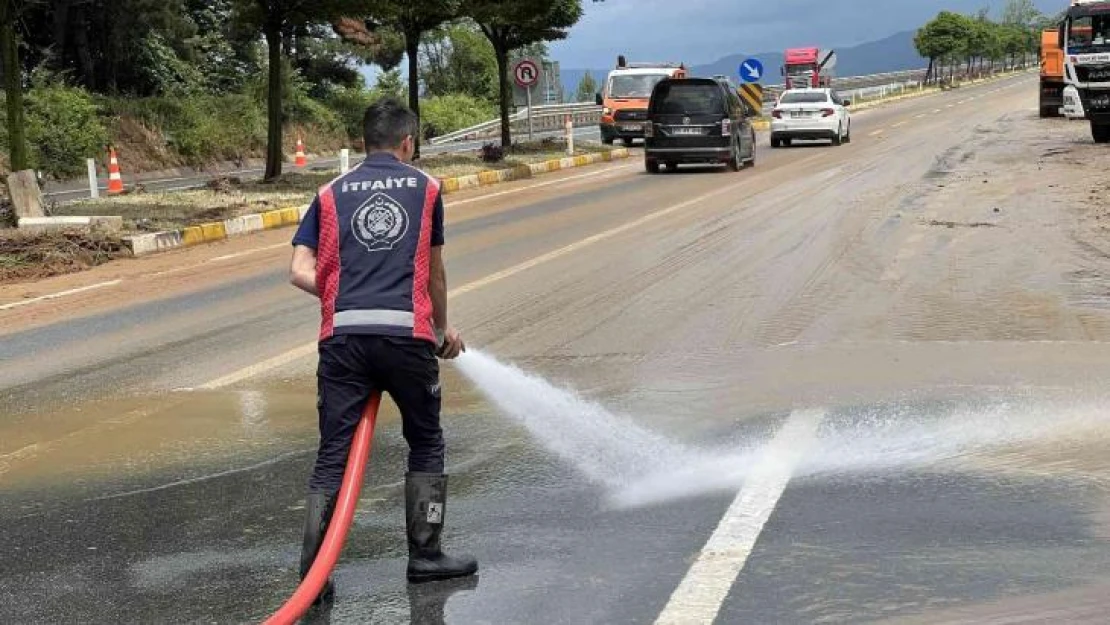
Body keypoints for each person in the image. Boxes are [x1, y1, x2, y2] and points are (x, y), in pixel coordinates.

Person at [288, 98, 477, 603]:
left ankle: (314, 574)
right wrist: (442, 331)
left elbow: (298, 269)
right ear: (408, 142)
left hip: (343, 340)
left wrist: (342, 293)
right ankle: (426, 555)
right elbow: (434, 271)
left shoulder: (328, 193)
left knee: (333, 454)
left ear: (362, 141)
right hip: (405, 337)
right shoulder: (427, 188)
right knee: (425, 440)